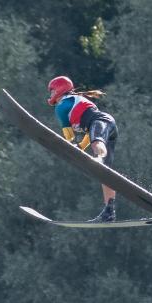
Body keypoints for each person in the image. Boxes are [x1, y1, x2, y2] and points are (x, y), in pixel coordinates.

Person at [47, 75, 118, 222]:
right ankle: (109, 210)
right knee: (107, 175)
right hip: (108, 123)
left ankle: (99, 158)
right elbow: (88, 134)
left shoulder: (61, 106)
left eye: (52, 91)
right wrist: (79, 147)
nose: (51, 95)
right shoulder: (74, 101)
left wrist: (72, 146)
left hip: (101, 121)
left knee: (97, 144)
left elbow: (68, 135)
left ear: (60, 89)